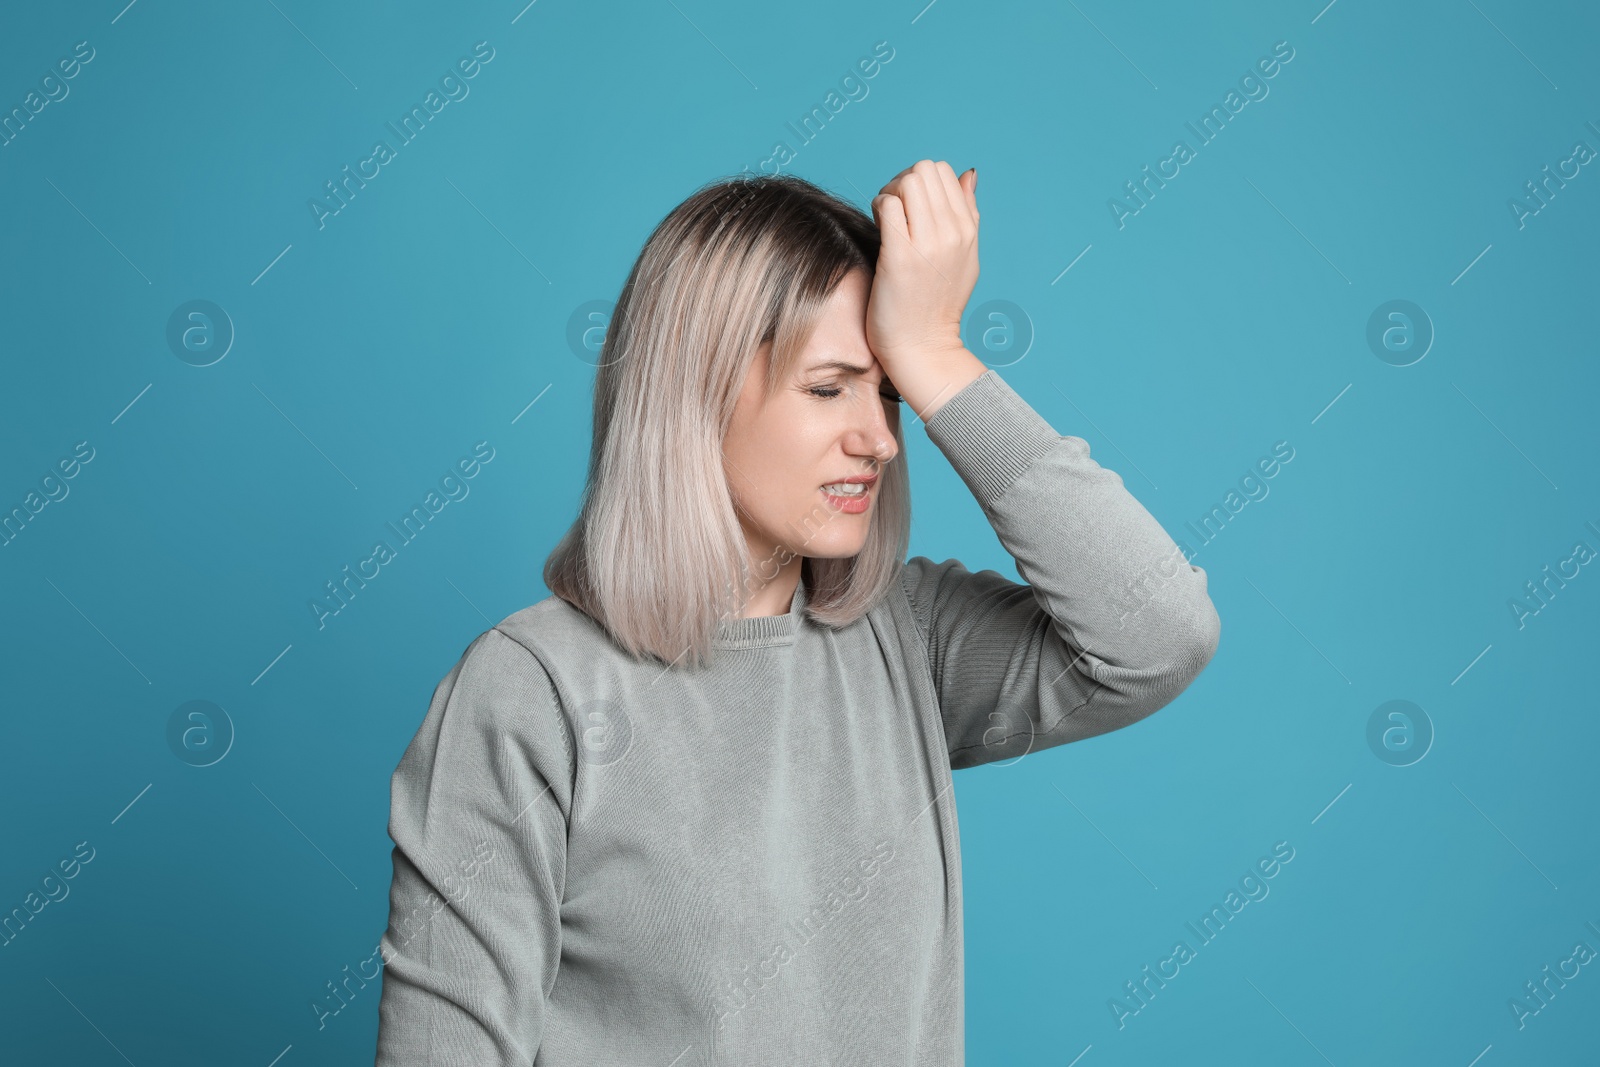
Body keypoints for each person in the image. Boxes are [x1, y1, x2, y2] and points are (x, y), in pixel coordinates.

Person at [373, 160, 1220, 1065]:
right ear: (692, 394)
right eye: (828, 388)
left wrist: (936, 355)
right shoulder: (529, 691)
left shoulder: (910, 638)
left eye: (887, 391)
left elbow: (1157, 632)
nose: (881, 438)